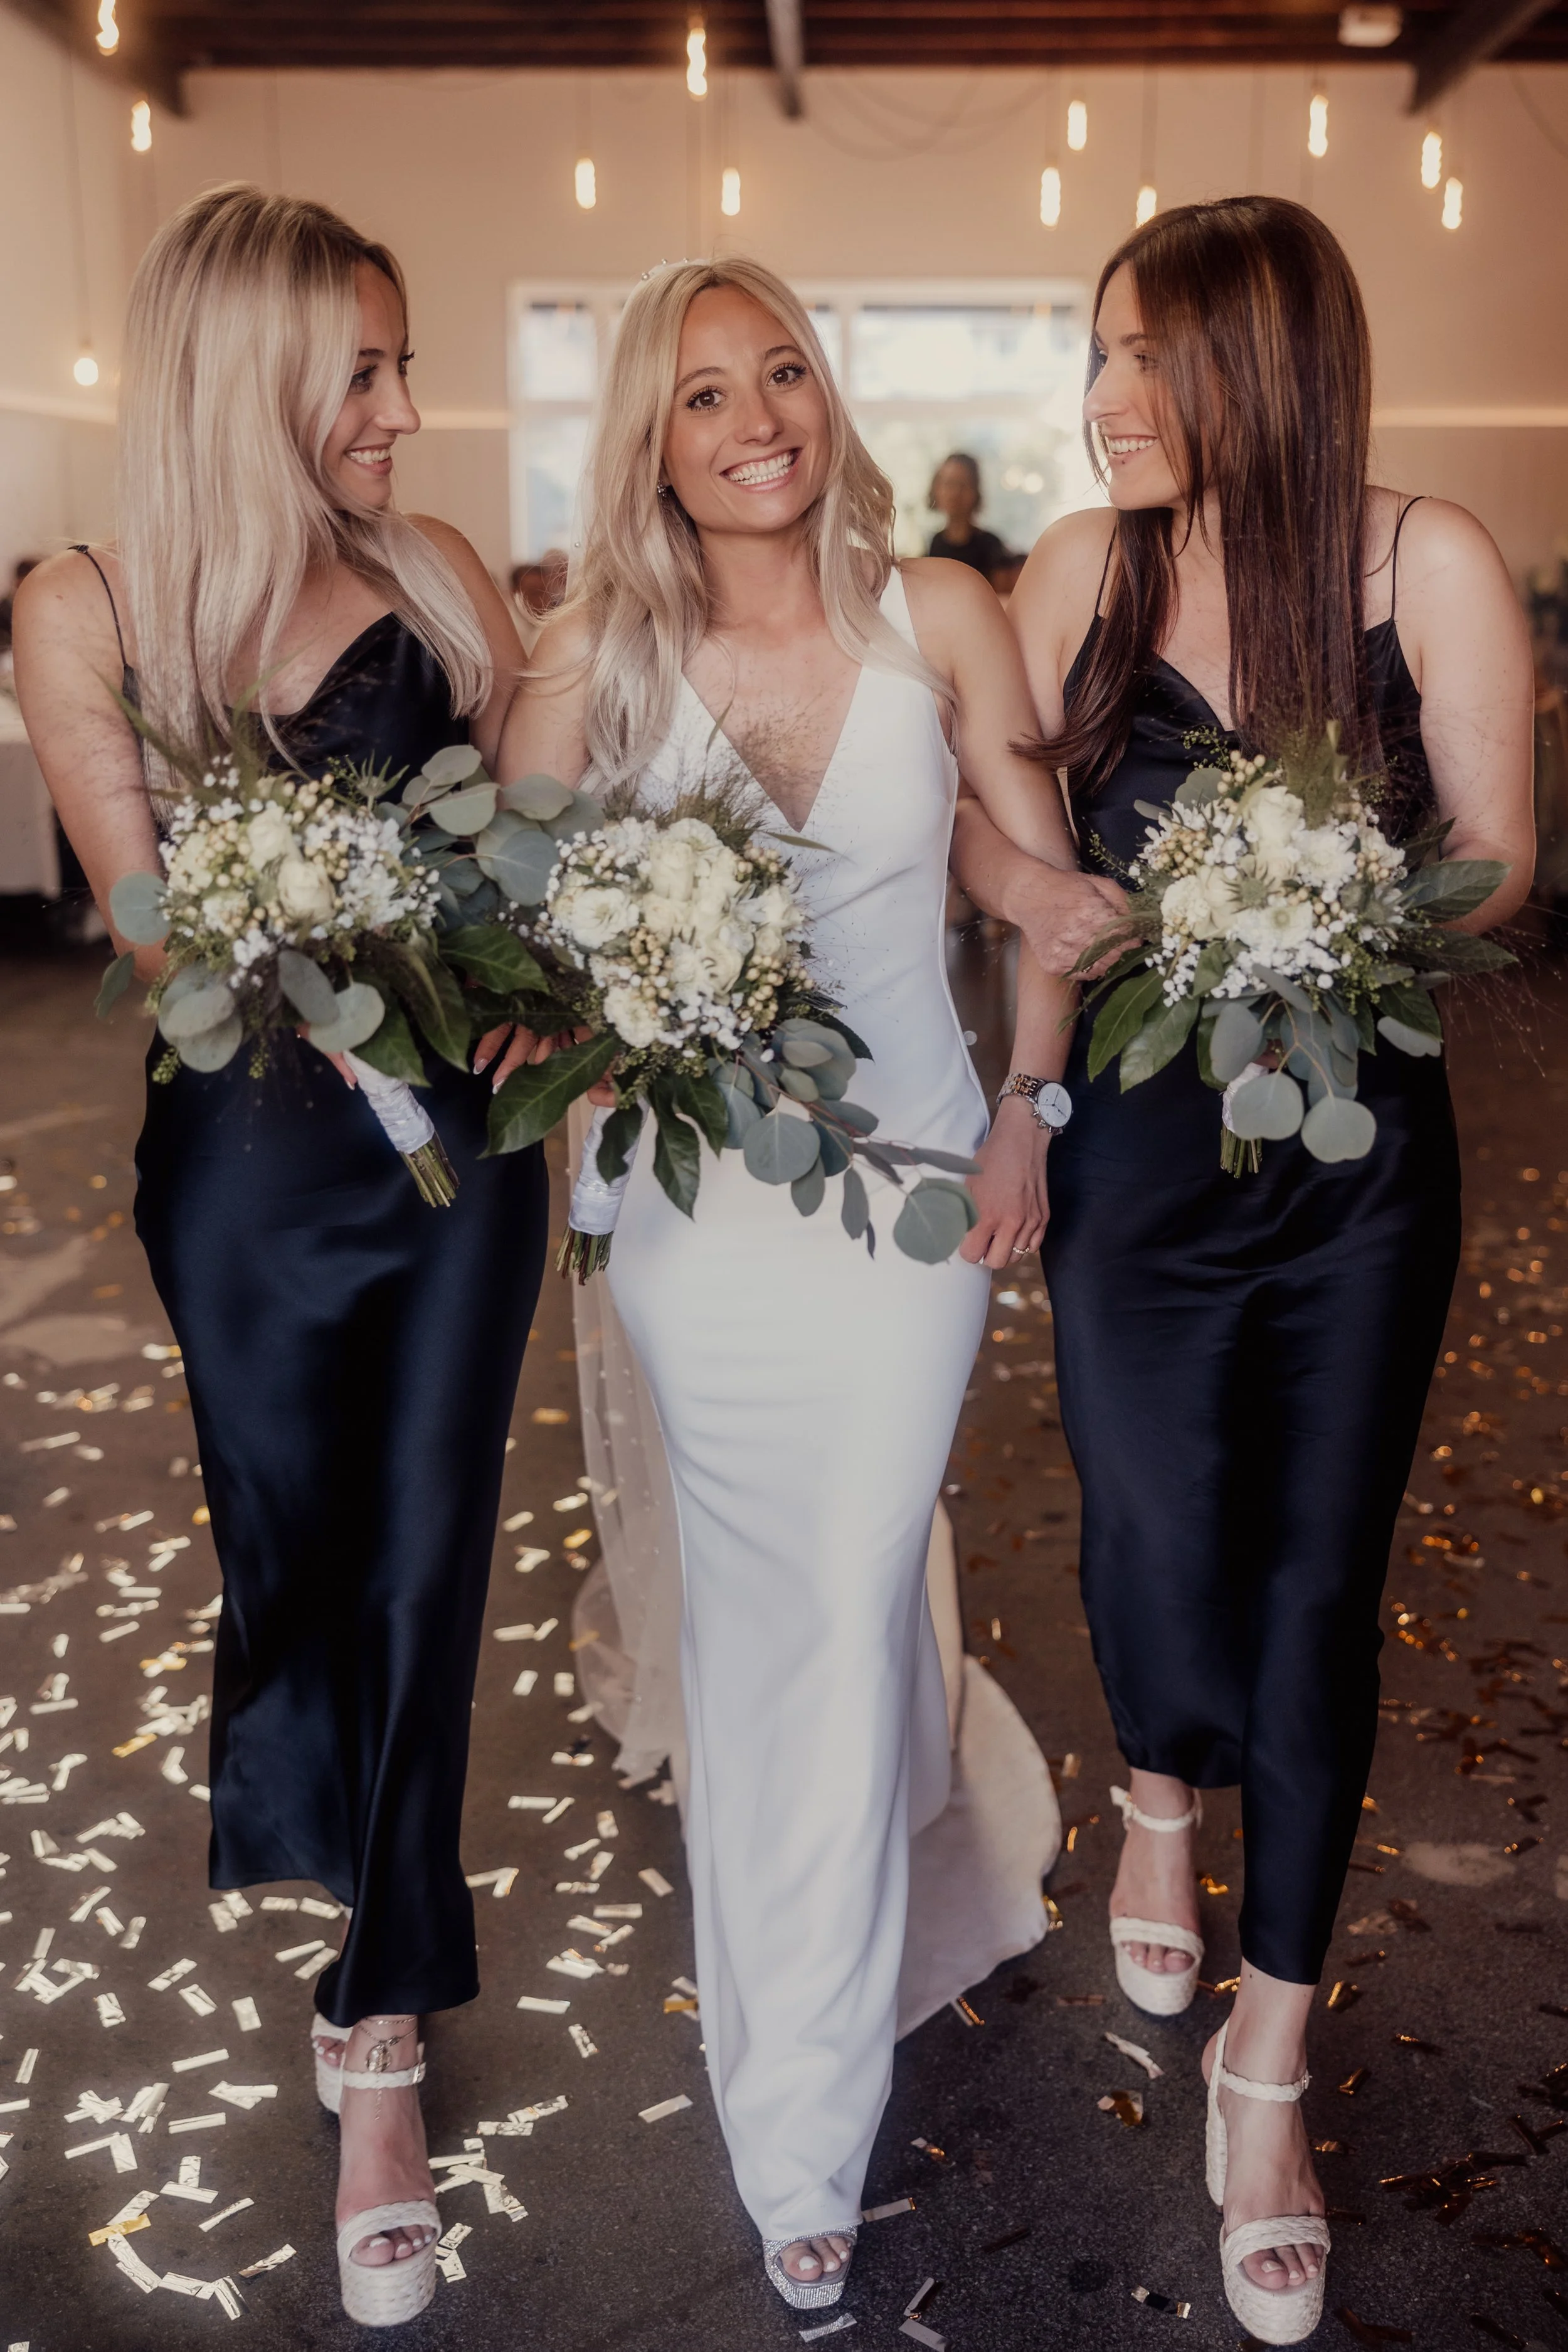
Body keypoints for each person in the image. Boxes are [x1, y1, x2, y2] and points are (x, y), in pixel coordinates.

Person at [951, 196, 1534, 2343]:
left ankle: (1269, 2062)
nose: (1104, 398)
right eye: (1095, 351)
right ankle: (1159, 1796)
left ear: (1262, 362)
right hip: (1140, 1165)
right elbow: (998, 845)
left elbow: (1495, 867)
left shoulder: (1427, 562)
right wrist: (1028, 1079)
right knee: (1147, 1541)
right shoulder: (1078, 574)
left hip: (1362, 1162)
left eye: (1147, 356)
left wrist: (1317, 902)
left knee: (1312, 1584)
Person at [489, 256, 1078, 2311]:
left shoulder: (942, 615)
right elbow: (510, 933)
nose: (763, 423)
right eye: (710, 396)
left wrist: (1036, 1109)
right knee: (775, 1648)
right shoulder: (583, 671)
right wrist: (540, 1006)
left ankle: (806, 2086)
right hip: (698, 1228)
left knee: (836, 1610)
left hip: (918, 1189)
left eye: (789, 379)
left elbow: (1019, 872)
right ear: (648, 436)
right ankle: (799, 2111)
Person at [13, 185, 550, 2328]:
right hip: (242, 1167)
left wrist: (549, 975)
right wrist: (287, 910)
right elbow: (141, 925)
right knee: (294, 1543)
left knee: (431, 1550)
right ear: (248, 372)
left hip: (459, 1169)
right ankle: (340, 1861)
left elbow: (537, 831)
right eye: (368, 370)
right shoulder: (91, 601)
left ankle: (387, 2009)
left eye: (406, 364)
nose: (407, 412)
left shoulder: (433, 579)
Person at [927, 451, 1012, 581]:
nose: (955, 494)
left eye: (963, 485)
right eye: (948, 484)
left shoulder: (991, 546)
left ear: (976, 491)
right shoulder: (935, 543)